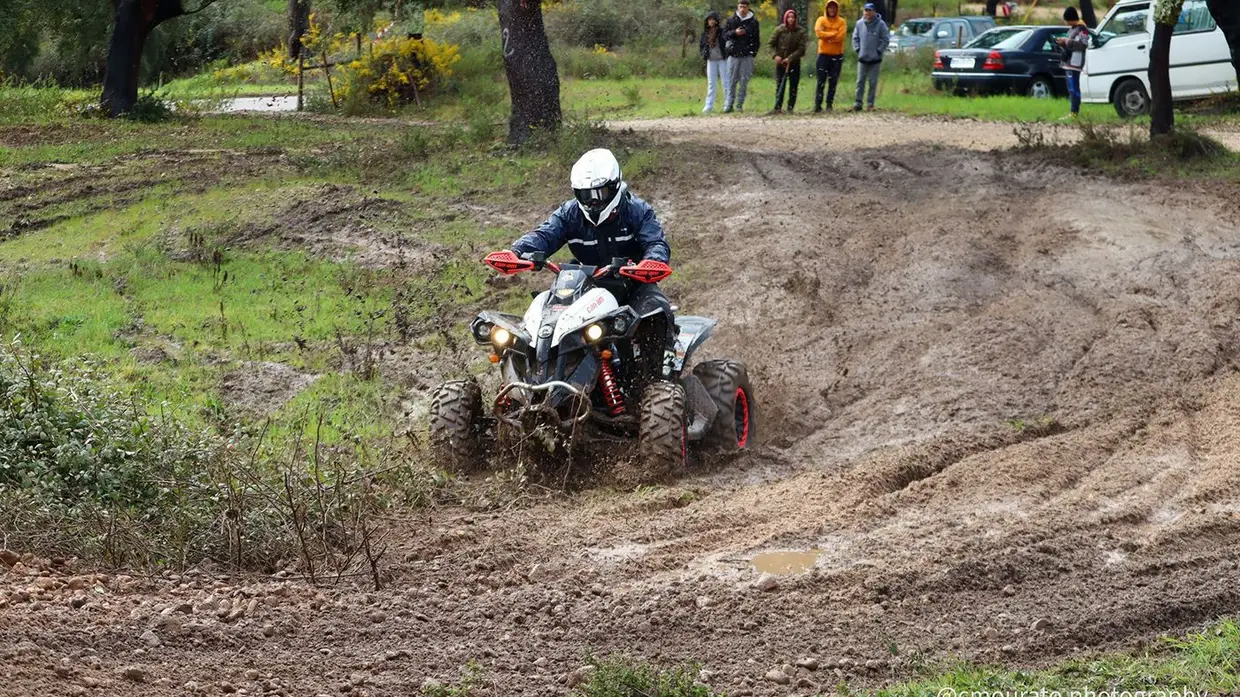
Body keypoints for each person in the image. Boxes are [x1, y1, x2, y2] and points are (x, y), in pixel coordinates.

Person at [511, 149, 677, 373]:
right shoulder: (569, 213)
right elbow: (544, 235)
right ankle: (540, 373)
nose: (594, 202)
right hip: (586, 283)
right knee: (545, 321)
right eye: (586, 195)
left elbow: (656, 243)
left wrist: (651, 262)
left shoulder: (638, 211)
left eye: (600, 193)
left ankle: (662, 373)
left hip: (633, 282)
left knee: (657, 309)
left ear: (616, 186)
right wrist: (517, 251)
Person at [769, 9, 808, 114]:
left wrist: (790, 58)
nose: (791, 19)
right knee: (780, 84)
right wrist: (775, 55)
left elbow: (801, 49)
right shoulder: (779, 30)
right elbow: (771, 44)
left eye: (793, 17)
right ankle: (778, 107)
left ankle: (790, 108)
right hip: (781, 63)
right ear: (786, 18)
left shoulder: (801, 31)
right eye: (789, 17)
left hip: (794, 63)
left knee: (793, 86)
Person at [852, 2, 889, 111]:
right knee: (860, 82)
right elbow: (855, 38)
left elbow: (885, 39)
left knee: (873, 82)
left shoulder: (881, 24)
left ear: (874, 12)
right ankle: (858, 103)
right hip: (862, 58)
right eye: (865, 10)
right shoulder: (859, 24)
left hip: (875, 59)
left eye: (869, 10)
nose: (867, 13)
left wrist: (879, 51)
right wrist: (858, 50)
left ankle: (870, 104)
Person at [724, 0, 760, 113]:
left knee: (744, 82)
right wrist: (734, 32)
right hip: (733, 55)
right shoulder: (731, 20)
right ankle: (729, 104)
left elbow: (756, 39)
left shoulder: (753, 22)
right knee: (731, 81)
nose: (742, 9)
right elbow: (724, 35)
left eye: (744, 7)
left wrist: (753, 52)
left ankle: (739, 105)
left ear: (748, 7)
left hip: (747, 56)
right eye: (741, 7)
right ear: (737, 7)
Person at [1056, 7, 1090, 119]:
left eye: (1067, 20)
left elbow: (1082, 45)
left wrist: (1066, 41)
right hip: (1068, 62)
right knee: (1070, 89)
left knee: (1074, 88)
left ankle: (1074, 112)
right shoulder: (1072, 29)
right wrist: (1062, 43)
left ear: (1071, 18)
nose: (1066, 22)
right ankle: (1072, 112)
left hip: (1075, 63)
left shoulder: (1082, 29)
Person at [814, 0, 847, 112]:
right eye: (830, 8)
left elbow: (840, 37)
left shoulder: (841, 22)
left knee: (833, 81)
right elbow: (819, 33)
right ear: (826, 9)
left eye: (834, 8)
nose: (832, 10)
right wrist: (833, 33)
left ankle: (829, 105)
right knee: (820, 81)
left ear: (837, 9)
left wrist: (826, 35)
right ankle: (817, 105)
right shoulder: (821, 20)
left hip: (837, 56)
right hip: (823, 55)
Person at [700, 11, 731, 113]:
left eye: (713, 19)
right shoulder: (705, 34)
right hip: (711, 60)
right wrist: (704, 53)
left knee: (725, 82)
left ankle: (727, 105)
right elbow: (702, 46)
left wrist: (727, 52)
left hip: (723, 60)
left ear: (716, 21)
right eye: (709, 19)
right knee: (711, 83)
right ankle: (709, 106)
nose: (711, 21)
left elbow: (728, 42)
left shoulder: (722, 32)